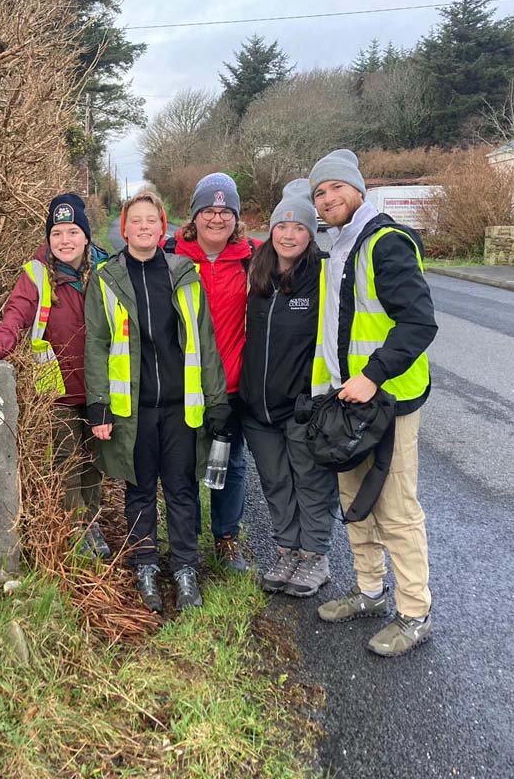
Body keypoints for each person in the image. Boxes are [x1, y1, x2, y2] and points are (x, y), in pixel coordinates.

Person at [308, 149, 438, 657]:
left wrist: (372, 375)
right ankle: (368, 591)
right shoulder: (342, 246)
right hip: (348, 402)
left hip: (389, 401)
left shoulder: (385, 243)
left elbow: (420, 323)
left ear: (357, 190)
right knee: (355, 501)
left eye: (336, 188)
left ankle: (414, 612)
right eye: (320, 193)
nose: (327, 198)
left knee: (397, 508)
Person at [84, 191, 229, 612]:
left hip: (182, 408)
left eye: (152, 220)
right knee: (140, 490)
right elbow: (96, 343)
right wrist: (99, 403)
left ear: (162, 227)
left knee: (182, 491)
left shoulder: (184, 272)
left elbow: (204, 339)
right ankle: (145, 564)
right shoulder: (106, 278)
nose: (144, 227)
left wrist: (217, 400)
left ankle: (185, 568)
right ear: (123, 228)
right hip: (135, 410)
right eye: (136, 220)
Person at [0, 193, 110, 557]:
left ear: (86, 236)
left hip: (101, 388)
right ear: (49, 238)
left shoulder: (108, 270)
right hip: (56, 388)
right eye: (57, 233)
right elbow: (17, 312)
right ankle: (73, 533)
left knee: (94, 462)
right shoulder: (37, 273)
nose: (65, 240)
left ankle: (92, 526)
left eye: (73, 231)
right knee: (66, 462)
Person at [239, 179, 337, 598]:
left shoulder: (322, 273)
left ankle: (315, 556)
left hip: (302, 406)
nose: (289, 234)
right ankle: (286, 550)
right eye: (283, 226)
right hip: (257, 408)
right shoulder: (257, 271)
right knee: (275, 481)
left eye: (299, 228)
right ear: (272, 229)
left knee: (311, 482)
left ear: (310, 234)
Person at [164, 172, 260, 573]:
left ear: (235, 217)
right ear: (195, 215)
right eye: (208, 210)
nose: (217, 219)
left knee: (230, 462)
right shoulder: (171, 254)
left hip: (234, 382)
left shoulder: (254, 257)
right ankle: (186, 540)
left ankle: (226, 537)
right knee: (183, 463)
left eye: (225, 211)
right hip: (183, 381)